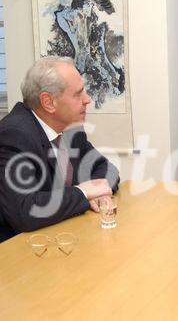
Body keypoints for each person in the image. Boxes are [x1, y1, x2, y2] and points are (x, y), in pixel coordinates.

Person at [0, 56, 120, 242]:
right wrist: (83, 193)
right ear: (48, 102)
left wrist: (96, 192)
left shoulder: (71, 130)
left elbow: (107, 169)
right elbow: (25, 211)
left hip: (63, 236)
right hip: (20, 251)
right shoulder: (14, 135)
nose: (87, 99)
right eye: (78, 94)